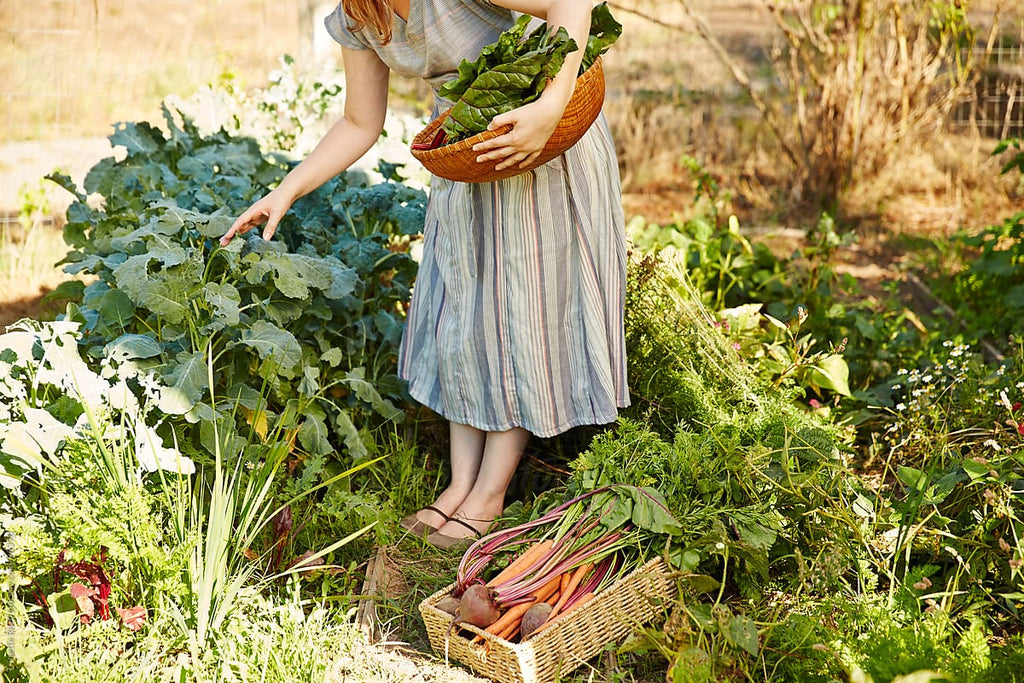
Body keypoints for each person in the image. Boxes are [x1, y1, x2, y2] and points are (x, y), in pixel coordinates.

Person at [219, 0, 628, 548]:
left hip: (534, 149)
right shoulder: (358, 13)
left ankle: (490, 493)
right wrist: (285, 192)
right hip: (465, 155)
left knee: (517, 318)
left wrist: (551, 106)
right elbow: (359, 121)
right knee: (465, 318)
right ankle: (460, 484)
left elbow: (570, 2)